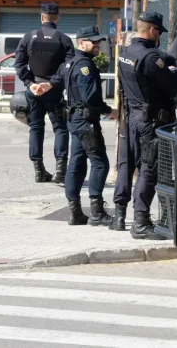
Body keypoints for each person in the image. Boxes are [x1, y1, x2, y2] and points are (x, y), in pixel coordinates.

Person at [113, 11, 177, 239]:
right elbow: (173, 86)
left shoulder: (126, 53)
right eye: (159, 31)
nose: (159, 35)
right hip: (149, 121)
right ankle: (141, 222)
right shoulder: (151, 59)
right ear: (151, 30)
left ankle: (122, 216)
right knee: (149, 170)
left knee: (129, 164)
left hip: (131, 118)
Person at [44, 26, 117, 226]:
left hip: (74, 120)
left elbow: (57, 79)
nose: (97, 44)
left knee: (76, 164)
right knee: (100, 163)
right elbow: (91, 98)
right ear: (81, 42)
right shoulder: (85, 66)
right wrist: (109, 111)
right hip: (85, 121)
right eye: (93, 41)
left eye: (99, 41)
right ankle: (97, 212)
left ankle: (75, 212)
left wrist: (46, 85)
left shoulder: (69, 63)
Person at [14, 2, 73, 184]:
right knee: (60, 128)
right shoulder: (64, 40)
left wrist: (30, 83)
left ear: (42, 17)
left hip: (34, 90)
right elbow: (68, 67)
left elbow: (19, 64)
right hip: (54, 91)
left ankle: (39, 171)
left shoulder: (29, 37)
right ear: (58, 17)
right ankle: (60, 170)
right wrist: (52, 83)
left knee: (36, 128)